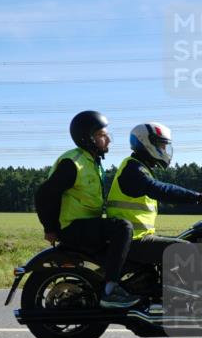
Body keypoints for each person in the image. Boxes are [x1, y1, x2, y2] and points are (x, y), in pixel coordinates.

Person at [35, 111, 140, 309]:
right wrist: (49, 228)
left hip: (85, 225)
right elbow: (44, 195)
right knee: (122, 228)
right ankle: (111, 291)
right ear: (87, 137)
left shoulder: (92, 162)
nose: (108, 139)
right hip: (72, 227)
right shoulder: (73, 163)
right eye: (102, 135)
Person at [106, 122, 202, 270]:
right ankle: (198, 292)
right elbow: (161, 189)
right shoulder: (132, 169)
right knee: (185, 250)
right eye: (161, 145)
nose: (164, 149)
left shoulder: (140, 168)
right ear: (146, 142)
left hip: (137, 237)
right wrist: (199, 197)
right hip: (131, 240)